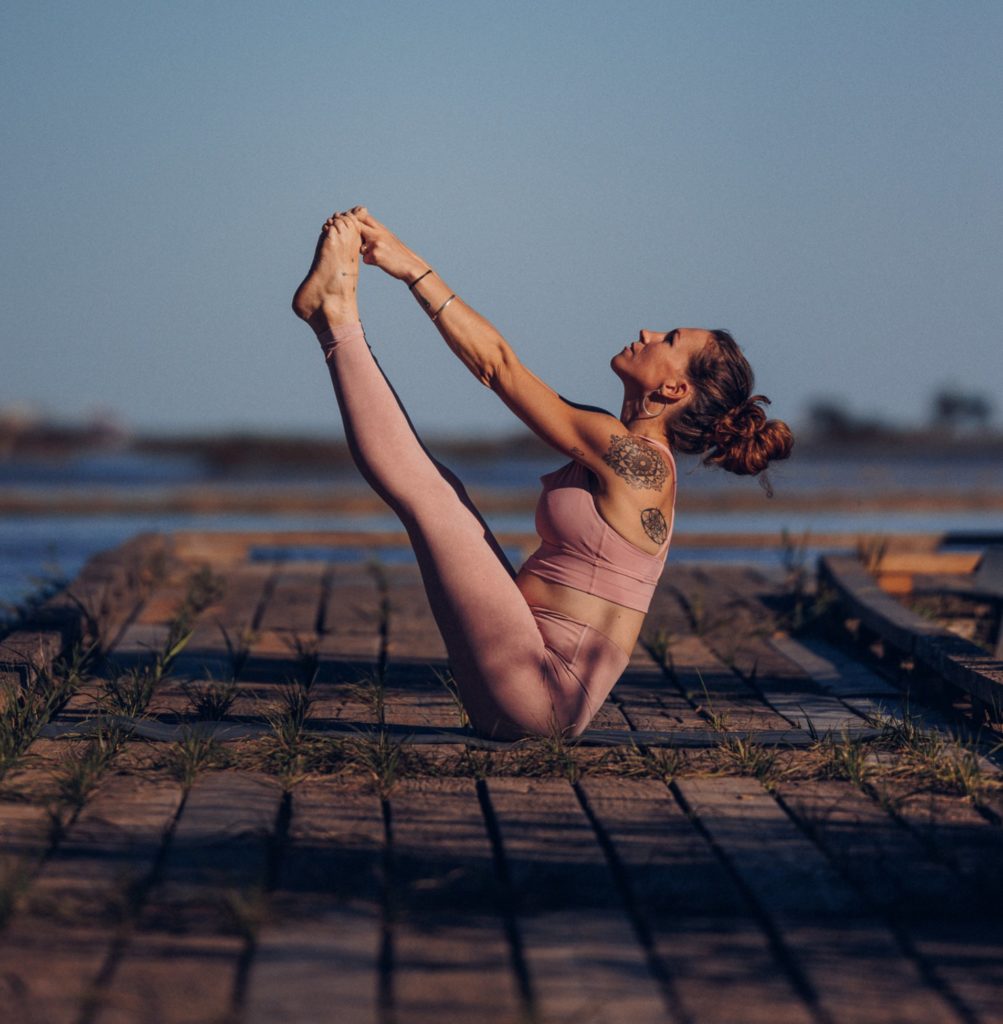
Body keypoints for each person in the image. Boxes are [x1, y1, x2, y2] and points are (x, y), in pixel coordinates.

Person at [293, 208, 792, 740]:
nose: (647, 331)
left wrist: (409, 265)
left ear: (673, 391)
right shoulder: (623, 449)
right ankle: (332, 319)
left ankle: (336, 320)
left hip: (541, 690)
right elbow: (506, 371)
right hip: (534, 682)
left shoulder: (640, 463)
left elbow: (499, 367)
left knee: (437, 499)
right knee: (443, 497)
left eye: (668, 339)